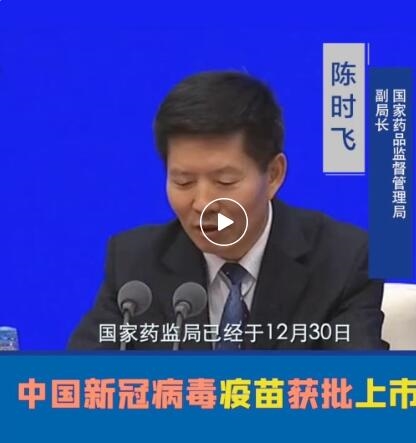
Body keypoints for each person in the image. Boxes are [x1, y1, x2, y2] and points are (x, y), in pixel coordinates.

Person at [68, 71, 388, 350]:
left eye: (225, 181)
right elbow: (81, 382)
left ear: (273, 175)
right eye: (183, 182)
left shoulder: (342, 260)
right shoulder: (134, 264)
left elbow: (358, 385)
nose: (202, 203)